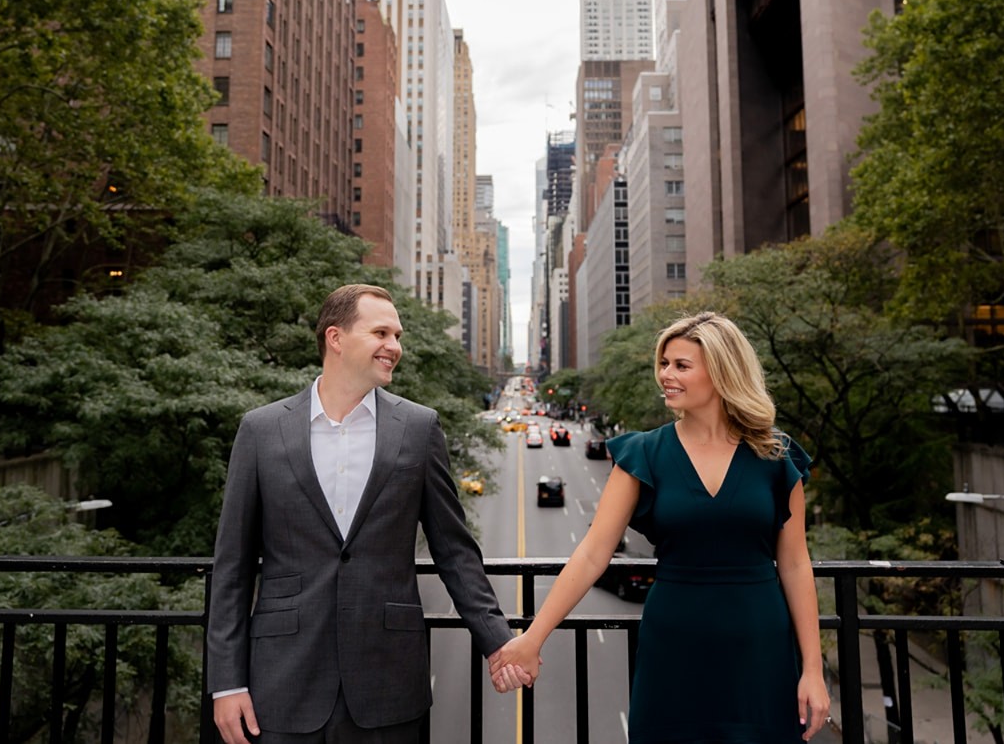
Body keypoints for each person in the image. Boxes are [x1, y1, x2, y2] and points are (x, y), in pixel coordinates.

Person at [207, 283, 532, 743]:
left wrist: (498, 641)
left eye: (397, 336)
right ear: (335, 338)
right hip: (280, 684)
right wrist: (227, 680)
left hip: (389, 684)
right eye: (381, 333)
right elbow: (232, 568)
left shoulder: (419, 429)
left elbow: (455, 552)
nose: (394, 347)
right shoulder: (261, 430)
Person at [491, 311, 831, 742]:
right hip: (673, 642)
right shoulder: (644, 454)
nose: (666, 375)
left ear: (722, 372)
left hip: (760, 644)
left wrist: (813, 671)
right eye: (664, 364)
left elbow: (797, 565)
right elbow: (594, 553)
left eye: (681, 365)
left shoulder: (776, 457)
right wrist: (534, 636)